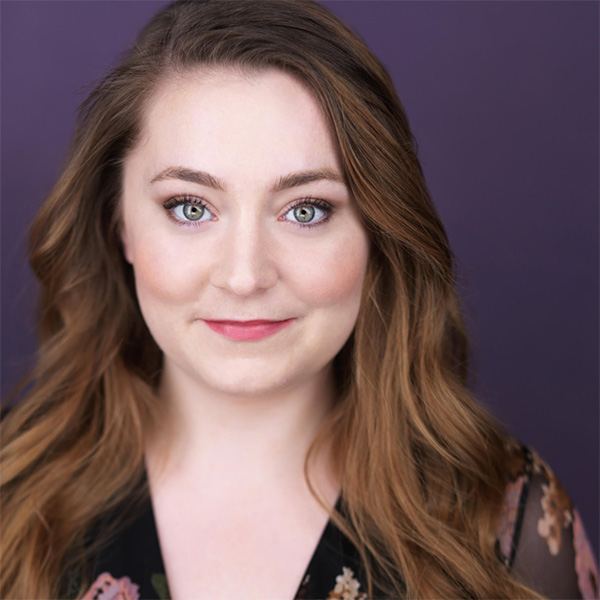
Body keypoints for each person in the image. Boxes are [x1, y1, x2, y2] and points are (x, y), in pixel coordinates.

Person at [0, 1, 597, 599]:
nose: (244, 276)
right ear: (119, 226)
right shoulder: (10, 497)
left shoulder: (508, 522)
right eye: (189, 207)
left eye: (306, 211)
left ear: (377, 233)